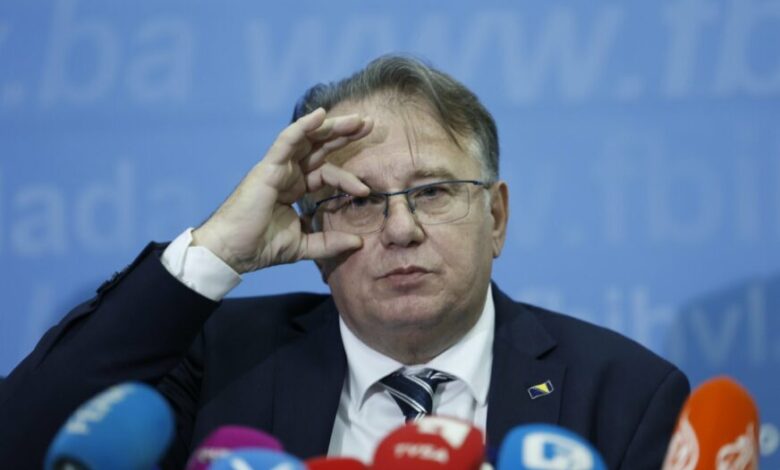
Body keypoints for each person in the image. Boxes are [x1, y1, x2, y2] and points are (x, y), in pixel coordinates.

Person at [0, 55, 689, 469]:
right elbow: (22, 442)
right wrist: (218, 247)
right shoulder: (218, 362)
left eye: (433, 192)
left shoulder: (626, 395)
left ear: (497, 217)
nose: (401, 229)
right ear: (312, 228)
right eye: (358, 201)